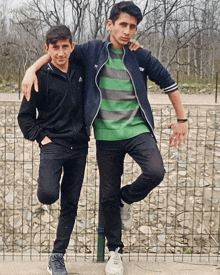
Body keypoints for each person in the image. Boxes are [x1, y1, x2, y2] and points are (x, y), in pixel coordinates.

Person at [21, 2, 188, 275]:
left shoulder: (140, 56)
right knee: (103, 194)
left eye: (132, 27)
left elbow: (169, 83)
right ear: (110, 25)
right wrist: (32, 69)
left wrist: (182, 120)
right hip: (106, 136)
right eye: (122, 24)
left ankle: (127, 199)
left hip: (136, 130)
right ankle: (114, 252)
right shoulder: (92, 51)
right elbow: (59, 50)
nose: (127, 31)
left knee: (155, 171)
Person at [18, 25, 89, 275]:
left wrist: (134, 48)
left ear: (71, 46)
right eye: (55, 47)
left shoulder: (81, 69)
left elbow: (107, 52)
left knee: (70, 204)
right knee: (48, 194)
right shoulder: (40, 77)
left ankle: (57, 257)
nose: (60, 53)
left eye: (65, 47)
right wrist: (42, 138)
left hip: (80, 147)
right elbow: (25, 118)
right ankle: (49, 181)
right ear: (47, 49)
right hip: (53, 145)